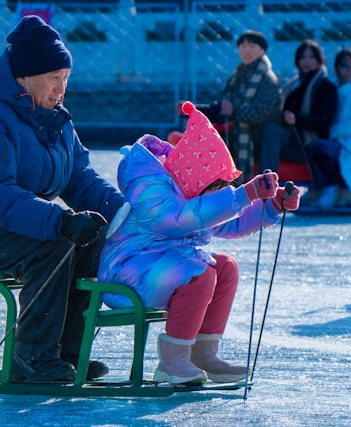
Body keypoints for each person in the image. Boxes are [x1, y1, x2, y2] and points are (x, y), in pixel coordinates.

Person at [0, 15, 124, 383]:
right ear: (24, 76)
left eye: (65, 78)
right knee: (54, 245)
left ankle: (65, 355)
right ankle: (32, 359)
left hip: (9, 221)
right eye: (52, 79)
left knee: (92, 239)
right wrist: (59, 222)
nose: (61, 88)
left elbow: (80, 178)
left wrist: (128, 212)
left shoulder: (54, 119)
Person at [98, 101, 300, 385]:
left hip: (162, 267)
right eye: (215, 189)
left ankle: (202, 354)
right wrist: (243, 195)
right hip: (127, 272)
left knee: (225, 267)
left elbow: (228, 221)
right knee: (198, 274)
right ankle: (173, 361)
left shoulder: (189, 191)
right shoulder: (151, 188)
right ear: (195, 177)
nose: (217, 195)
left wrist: (271, 207)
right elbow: (179, 219)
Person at [172, 30, 282, 182]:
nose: (247, 50)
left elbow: (264, 113)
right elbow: (222, 108)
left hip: (256, 137)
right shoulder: (237, 76)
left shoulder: (267, 79)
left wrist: (234, 111)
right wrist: (190, 110)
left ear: (262, 49)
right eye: (242, 46)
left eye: (252, 46)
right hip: (233, 131)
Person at [305, 47, 351, 212]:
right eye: (345, 66)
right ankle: (322, 190)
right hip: (341, 140)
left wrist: (331, 132)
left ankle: (329, 189)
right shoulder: (337, 88)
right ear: (336, 69)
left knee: (318, 147)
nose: (349, 70)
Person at [258, 39, 338, 175]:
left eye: (311, 57)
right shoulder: (294, 87)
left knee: (272, 131)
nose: (306, 61)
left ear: (319, 60)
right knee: (266, 128)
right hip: (293, 142)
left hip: (311, 146)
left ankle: (266, 183)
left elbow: (324, 121)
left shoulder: (326, 87)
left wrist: (297, 119)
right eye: (302, 57)